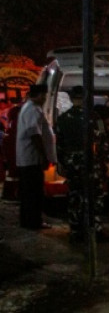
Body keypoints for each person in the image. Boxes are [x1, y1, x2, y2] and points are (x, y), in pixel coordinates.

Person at [55, 85, 109, 243]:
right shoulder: (94, 117)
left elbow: (59, 144)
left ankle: (75, 230)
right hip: (90, 162)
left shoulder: (63, 119)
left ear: (72, 99)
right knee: (94, 195)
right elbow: (102, 141)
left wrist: (61, 163)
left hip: (72, 162)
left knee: (75, 195)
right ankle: (95, 228)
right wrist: (107, 161)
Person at [16, 84, 56, 230]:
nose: (45, 98)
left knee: (29, 193)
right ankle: (33, 222)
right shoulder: (32, 109)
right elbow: (35, 134)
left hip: (28, 159)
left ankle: (28, 221)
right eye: (44, 95)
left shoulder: (29, 108)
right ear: (39, 95)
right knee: (34, 193)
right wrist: (44, 156)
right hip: (31, 159)